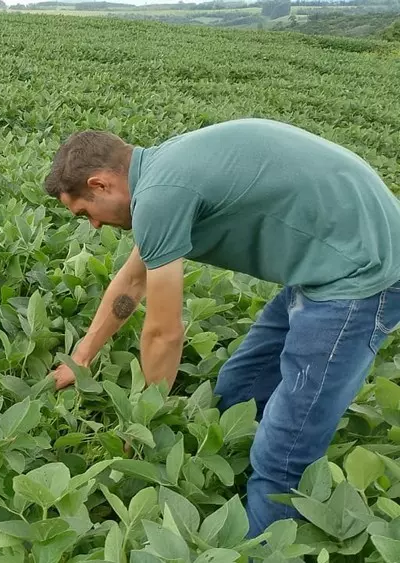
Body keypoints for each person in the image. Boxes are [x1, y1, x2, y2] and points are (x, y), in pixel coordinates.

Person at [42, 117, 400, 537]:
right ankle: (221, 491)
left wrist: (140, 427)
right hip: (329, 258)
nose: (95, 226)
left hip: (361, 273)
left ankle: (262, 543)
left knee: (285, 445)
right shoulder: (161, 173)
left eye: (86, 212)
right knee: (239, 387)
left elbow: (163, 333)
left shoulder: (160, 194)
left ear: (101, 184)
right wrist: (80, 358)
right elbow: (133, 282)